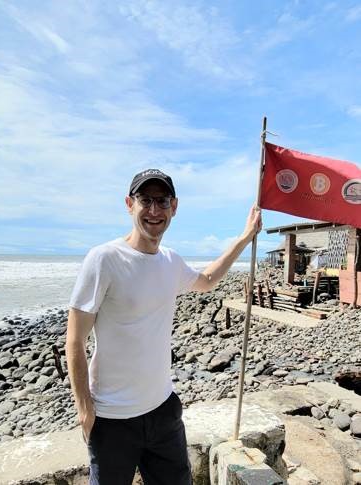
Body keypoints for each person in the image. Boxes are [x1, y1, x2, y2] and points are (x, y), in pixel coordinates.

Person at [66, 168, 262, 485]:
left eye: (162, 201)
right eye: (146, 200)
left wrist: (244, 237)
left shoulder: (170, 262)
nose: (154, 210)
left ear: (174, 207)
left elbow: (208, 280)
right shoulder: (104, 259)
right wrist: (85, 408)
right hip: (113, 420)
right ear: (130, 204)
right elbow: (75, 340)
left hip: (163, 412)